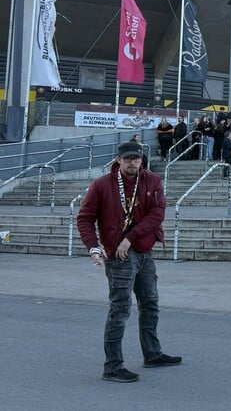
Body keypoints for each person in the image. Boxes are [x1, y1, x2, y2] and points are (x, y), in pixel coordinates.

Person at [76, 141, 181, 383]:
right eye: (128, 159)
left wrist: (130, 239)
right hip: (118, 255)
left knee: (150, 303)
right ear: (118, 160)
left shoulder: (152, 180)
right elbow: (85, 218)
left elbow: (157, 213)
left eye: (136, 158)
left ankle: (152, 353)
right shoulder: (102, 185)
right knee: (120, 308)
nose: (133, 163)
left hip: (143, 250)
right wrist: (93, 247)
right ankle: (112, 365)